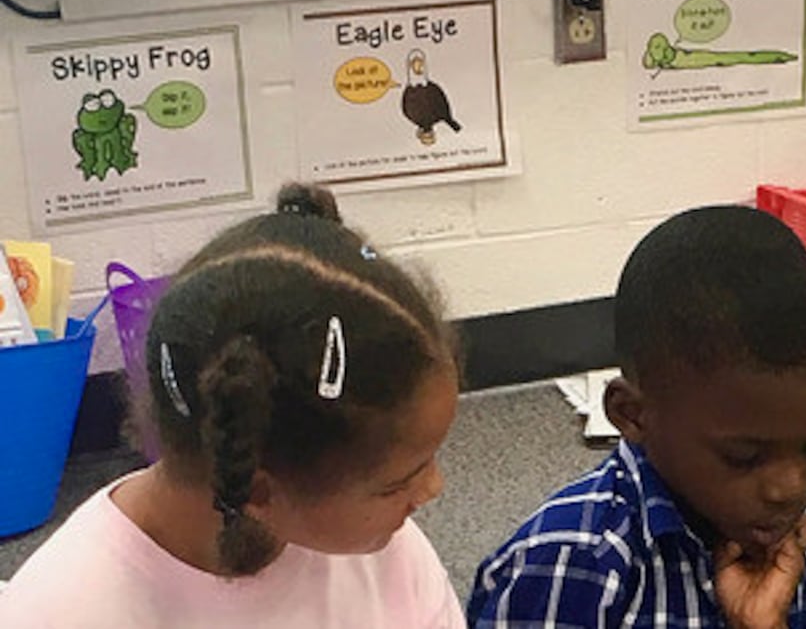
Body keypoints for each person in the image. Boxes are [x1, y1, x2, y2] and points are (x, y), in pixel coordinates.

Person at [0, 184, 465, 628]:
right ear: (259, 493)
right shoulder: (60, 612)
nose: (434, 487)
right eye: (396, 483)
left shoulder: (385, 552)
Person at [467, 205, 806, 629]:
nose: (790, 488)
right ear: (631, 415)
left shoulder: (798, 547)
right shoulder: (569, 563)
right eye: (743, 457)